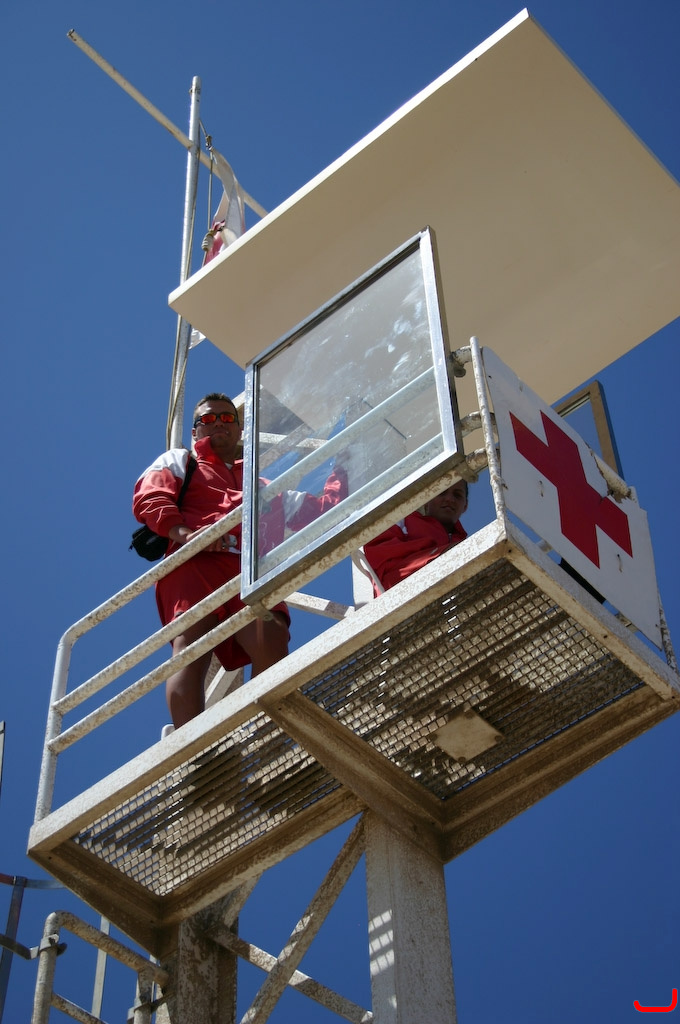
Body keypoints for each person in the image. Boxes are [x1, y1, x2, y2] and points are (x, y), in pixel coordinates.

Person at [133, 392, 346, 728]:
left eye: (227, 417)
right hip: (195, 562)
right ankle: (194, 747)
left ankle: (260, 732)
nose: (218, 423)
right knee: (190, 649)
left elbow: (324, 511)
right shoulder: (181, 461)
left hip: (247, 570)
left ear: (239, 428)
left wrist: (345, 462)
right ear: (195, 431)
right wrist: (187, 535)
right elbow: (152, 496)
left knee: (271, 634)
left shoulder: (263, 486)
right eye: (208, 418)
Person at [363, 479, 469, 594]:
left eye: (457, 495)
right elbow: (383, 565)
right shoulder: (402, 520)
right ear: (427, 499)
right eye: (442, 492)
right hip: (405, 595)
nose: (450, 499)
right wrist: (441, 555)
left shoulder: (466, 545)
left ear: (465, 506)